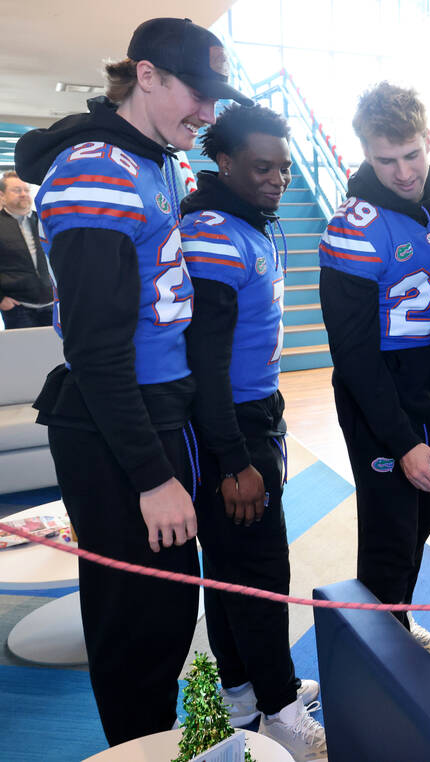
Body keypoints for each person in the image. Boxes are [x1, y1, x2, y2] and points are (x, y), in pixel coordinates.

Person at [14, 17, 252, 745]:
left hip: (156, 409)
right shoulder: (97, 170)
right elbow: (95, 347)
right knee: (136, 626)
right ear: (146, 76)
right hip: (118, 422)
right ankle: (136, 751)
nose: (209, 114)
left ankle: (151, 743)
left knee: (166, 615)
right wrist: (152, 474)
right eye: (197, 93)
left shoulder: (152, 158)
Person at [181, 103, 325, 758]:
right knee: (261, 570)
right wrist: (234, 458)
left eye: (285, 167)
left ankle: (242, 690)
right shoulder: (212, 230)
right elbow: (204, 363)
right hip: (229, 424)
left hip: (253, 413)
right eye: (263, 167)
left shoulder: (247, 220)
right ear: (226, 162)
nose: (278, 179)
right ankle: (279, 710)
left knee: (235, 566)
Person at [318, 83, 430, 650]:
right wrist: (401, 440)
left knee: (423, 518)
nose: (403, 172)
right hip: (379, 389)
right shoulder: (351, 226)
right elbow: (352, 353)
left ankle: (396, 623)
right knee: (388, 533)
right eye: (386, 159)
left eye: (412, 154)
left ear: (428, 139)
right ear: (365, 152)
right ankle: (378, 659)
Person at [0, 171, 53, 328]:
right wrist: (2, 299)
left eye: (26, 190)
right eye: (16, 190)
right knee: (24, 352)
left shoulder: (44, 221)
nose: (23, 194)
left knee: (54, 351)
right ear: (2, 195)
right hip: (18, 308)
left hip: (52, 304)